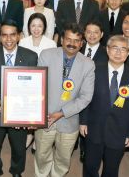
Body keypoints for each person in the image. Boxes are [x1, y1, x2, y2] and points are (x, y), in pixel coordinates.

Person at [34, 23, 95, 177]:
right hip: (45, 118)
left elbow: (86, 96)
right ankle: (41, 174)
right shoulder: (46, 55)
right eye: (68, 39)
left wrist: (61, 113)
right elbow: (37, 85)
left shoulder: (88, 64)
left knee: (63, 158)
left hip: (69, 120)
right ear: (61, 39)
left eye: (76, 40)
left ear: (81, 43)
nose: (72, 44)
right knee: (41, 154)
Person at [80, 35, 129, 177]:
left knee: (111, 170)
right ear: (107, 50)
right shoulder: (94, 71)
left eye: (123, 49)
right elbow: (85, 98)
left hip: (119, 132)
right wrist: (83, 121)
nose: (118, 53)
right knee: (90, 166)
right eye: (114, 48)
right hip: (94, 128)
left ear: (128, 53)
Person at [0, 20, 38, 177]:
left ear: (19, 36)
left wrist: (29, 113)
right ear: (0, 37)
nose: (8, 39)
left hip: (19, 112)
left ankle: (17, 171)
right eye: (4, 35)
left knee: (19, 147)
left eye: (12, 35)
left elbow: (34, 86)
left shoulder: (30, 56)